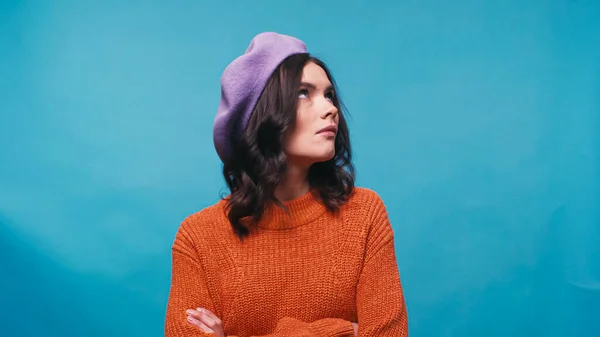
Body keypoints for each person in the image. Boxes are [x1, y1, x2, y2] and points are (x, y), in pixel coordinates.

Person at [164, 32, 409, 337]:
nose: (330, 108)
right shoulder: (198, 238)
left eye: (329, 94)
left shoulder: (364, 215)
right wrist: (343, 331)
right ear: (263, 114)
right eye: (303, 93)